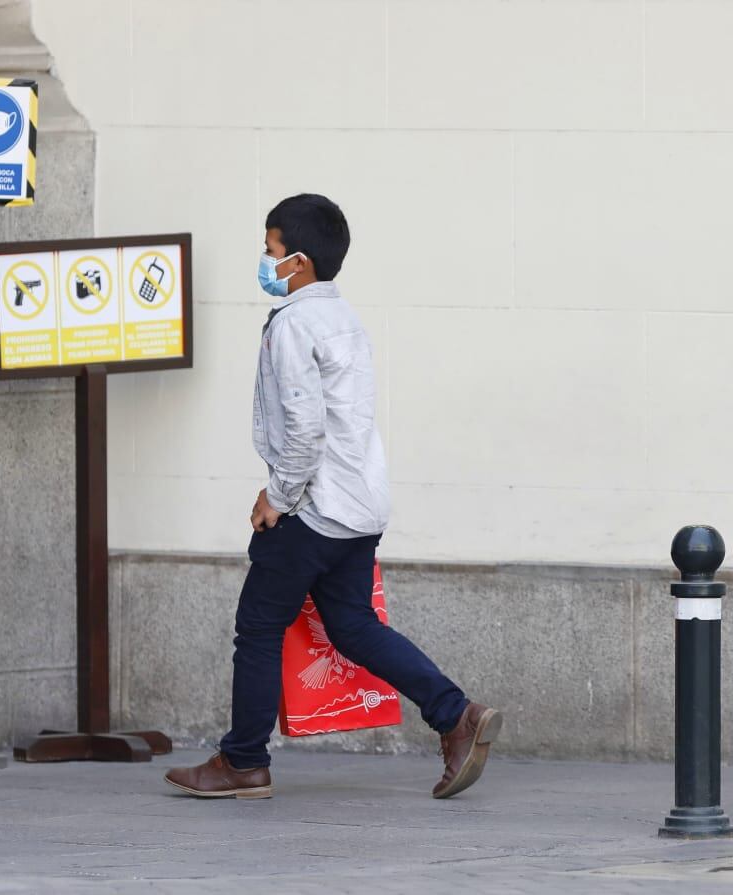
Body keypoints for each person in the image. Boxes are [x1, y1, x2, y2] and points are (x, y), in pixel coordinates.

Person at [164, 194, 501, 801]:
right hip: (359, 505)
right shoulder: (344, 317)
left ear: (297, 262)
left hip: (311, 509)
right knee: (352, 625)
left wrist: (277, 496)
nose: (264, 261)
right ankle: (456, 715)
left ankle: (242, 761)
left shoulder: (294, 323)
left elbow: (304, 427)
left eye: (269, 250)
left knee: (259, 627)